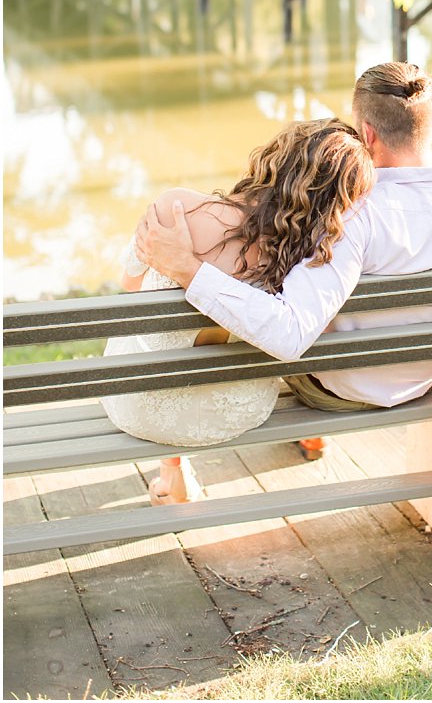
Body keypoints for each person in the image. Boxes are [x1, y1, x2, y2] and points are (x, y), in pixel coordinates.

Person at [135, 62, 432, 447]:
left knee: (247, 289)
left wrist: (188, 269)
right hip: (419, 380)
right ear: (430, 129)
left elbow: (288, 334)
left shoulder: (352, 215)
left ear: (366, 133)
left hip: (339, 388)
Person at [108, 118, 375, 503]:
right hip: (238, 411)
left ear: (276, 156)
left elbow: (130, 288)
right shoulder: (308, 259)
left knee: (155, 347)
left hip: (142, 409)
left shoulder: (178, 209)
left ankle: (173, 471)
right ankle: (312, 436)